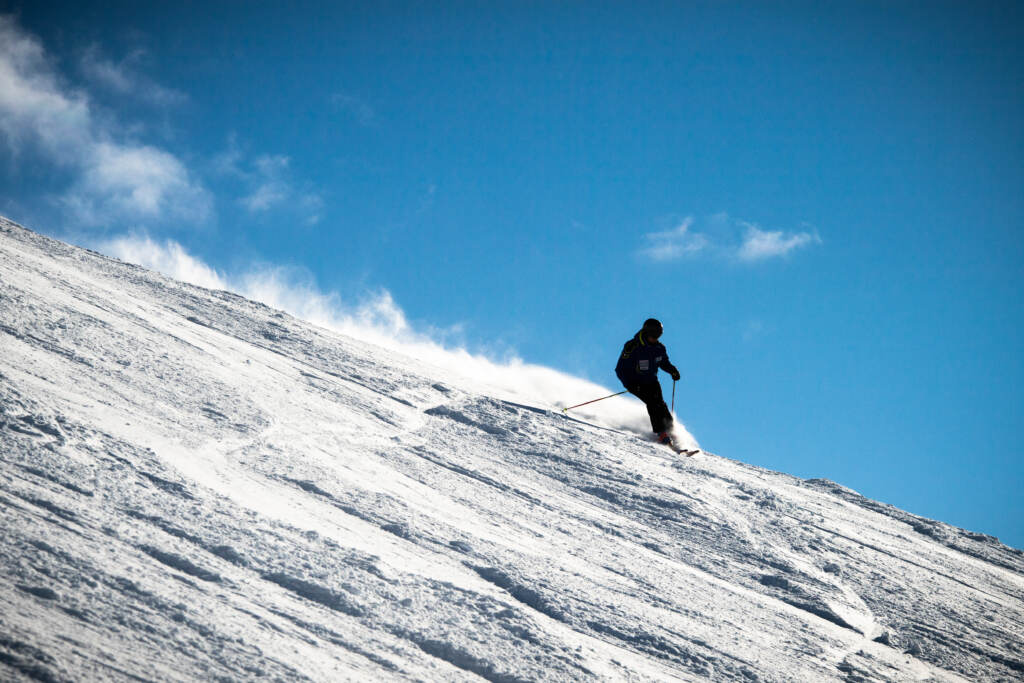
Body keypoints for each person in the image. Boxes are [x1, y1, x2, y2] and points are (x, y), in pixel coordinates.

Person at [615, 318, 681, 444]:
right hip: (636, 383)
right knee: (652, 403)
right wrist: (629, 384)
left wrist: (672, 370)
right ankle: (661, 432)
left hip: (652, 381)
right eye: (653, 336)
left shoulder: (659, 348)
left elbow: (664, 362)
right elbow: (620, 369)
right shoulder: (633, 346)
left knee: (660, 404)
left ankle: (671, 430)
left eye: (658, 336)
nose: (655, 338)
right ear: (646, 333)